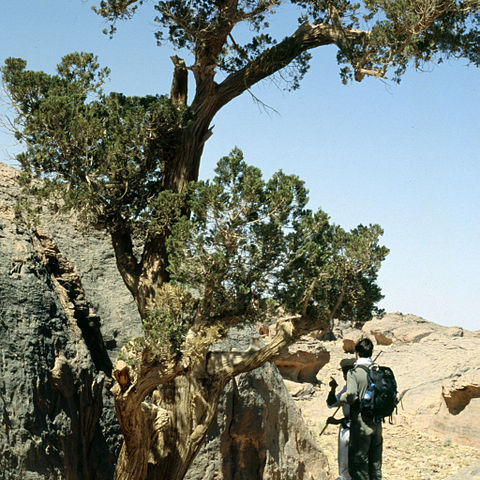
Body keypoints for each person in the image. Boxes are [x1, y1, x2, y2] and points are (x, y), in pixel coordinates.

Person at [340, 338, 382, 480]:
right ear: (371, 352)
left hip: (361, 424)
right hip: (377, 423)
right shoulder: (377, 370)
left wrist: (341, 398)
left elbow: (351, 396)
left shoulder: (354, 372)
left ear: (357, 353)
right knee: (375, 464)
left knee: (359, 464)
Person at [326, 358, 355, 480]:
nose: (345, 376)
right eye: (344, 373)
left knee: (348, 461)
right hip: (347, 426)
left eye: (347, 373)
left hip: (353, 429)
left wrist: (337, 421)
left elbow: (356, 415)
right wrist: (333, 389)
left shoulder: (355, 388)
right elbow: (332, 403)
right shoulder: (346, 387)